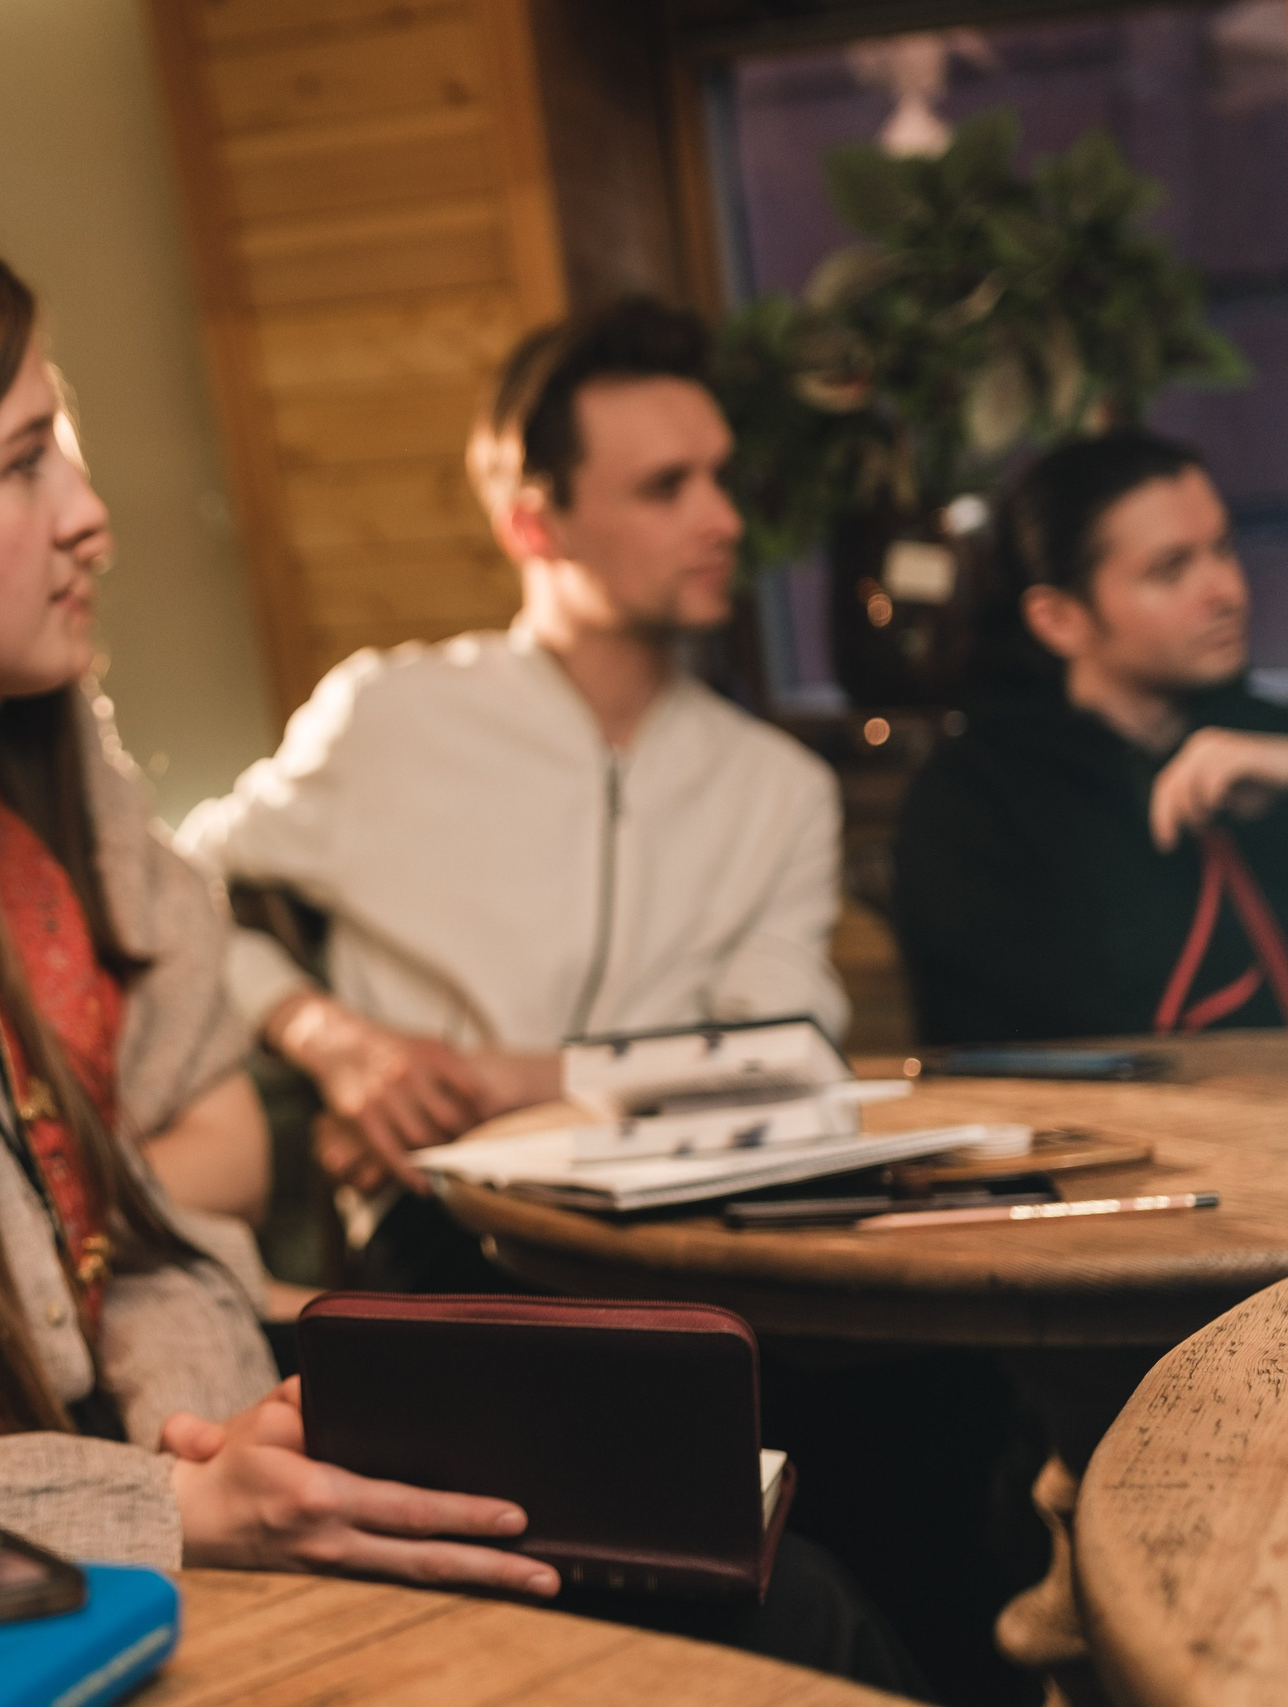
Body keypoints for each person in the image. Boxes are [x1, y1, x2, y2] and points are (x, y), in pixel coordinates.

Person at [0, 224, 925, 1696]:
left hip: (140, 1497)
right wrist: (183, 1497)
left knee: (787, 1567)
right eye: (26, 462)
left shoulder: (15, 832)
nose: (92, 516)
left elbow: (139, 1243)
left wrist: (215, 1454)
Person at [173, 296, 847, 1290]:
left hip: (702, 1225)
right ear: (535, 525)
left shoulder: (779, 789)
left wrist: (507, 1086)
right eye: (666, 488)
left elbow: (780, 1054)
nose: (724, 520)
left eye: (719, 476)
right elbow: (172, 887)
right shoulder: (390, 714)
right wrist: (331, 1041)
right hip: (448, 1227)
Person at [895, 430, 1288, 1045]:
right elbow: (1012, 1047)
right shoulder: (974, 803)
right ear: (1059, 619)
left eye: (1223, 549)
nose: (1225, 591)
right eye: (1171, 570)